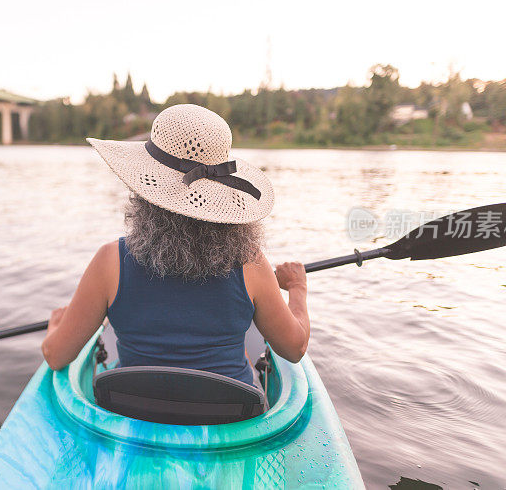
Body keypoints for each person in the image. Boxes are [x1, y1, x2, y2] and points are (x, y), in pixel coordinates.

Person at [42, 104, 309, 386]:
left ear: (145, 192)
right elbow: (294, 349)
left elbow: (56, 356)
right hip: (229, 420)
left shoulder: (110, 262)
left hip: (133, 416)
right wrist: (297, 288)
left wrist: (55, 328)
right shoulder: (251, 264)